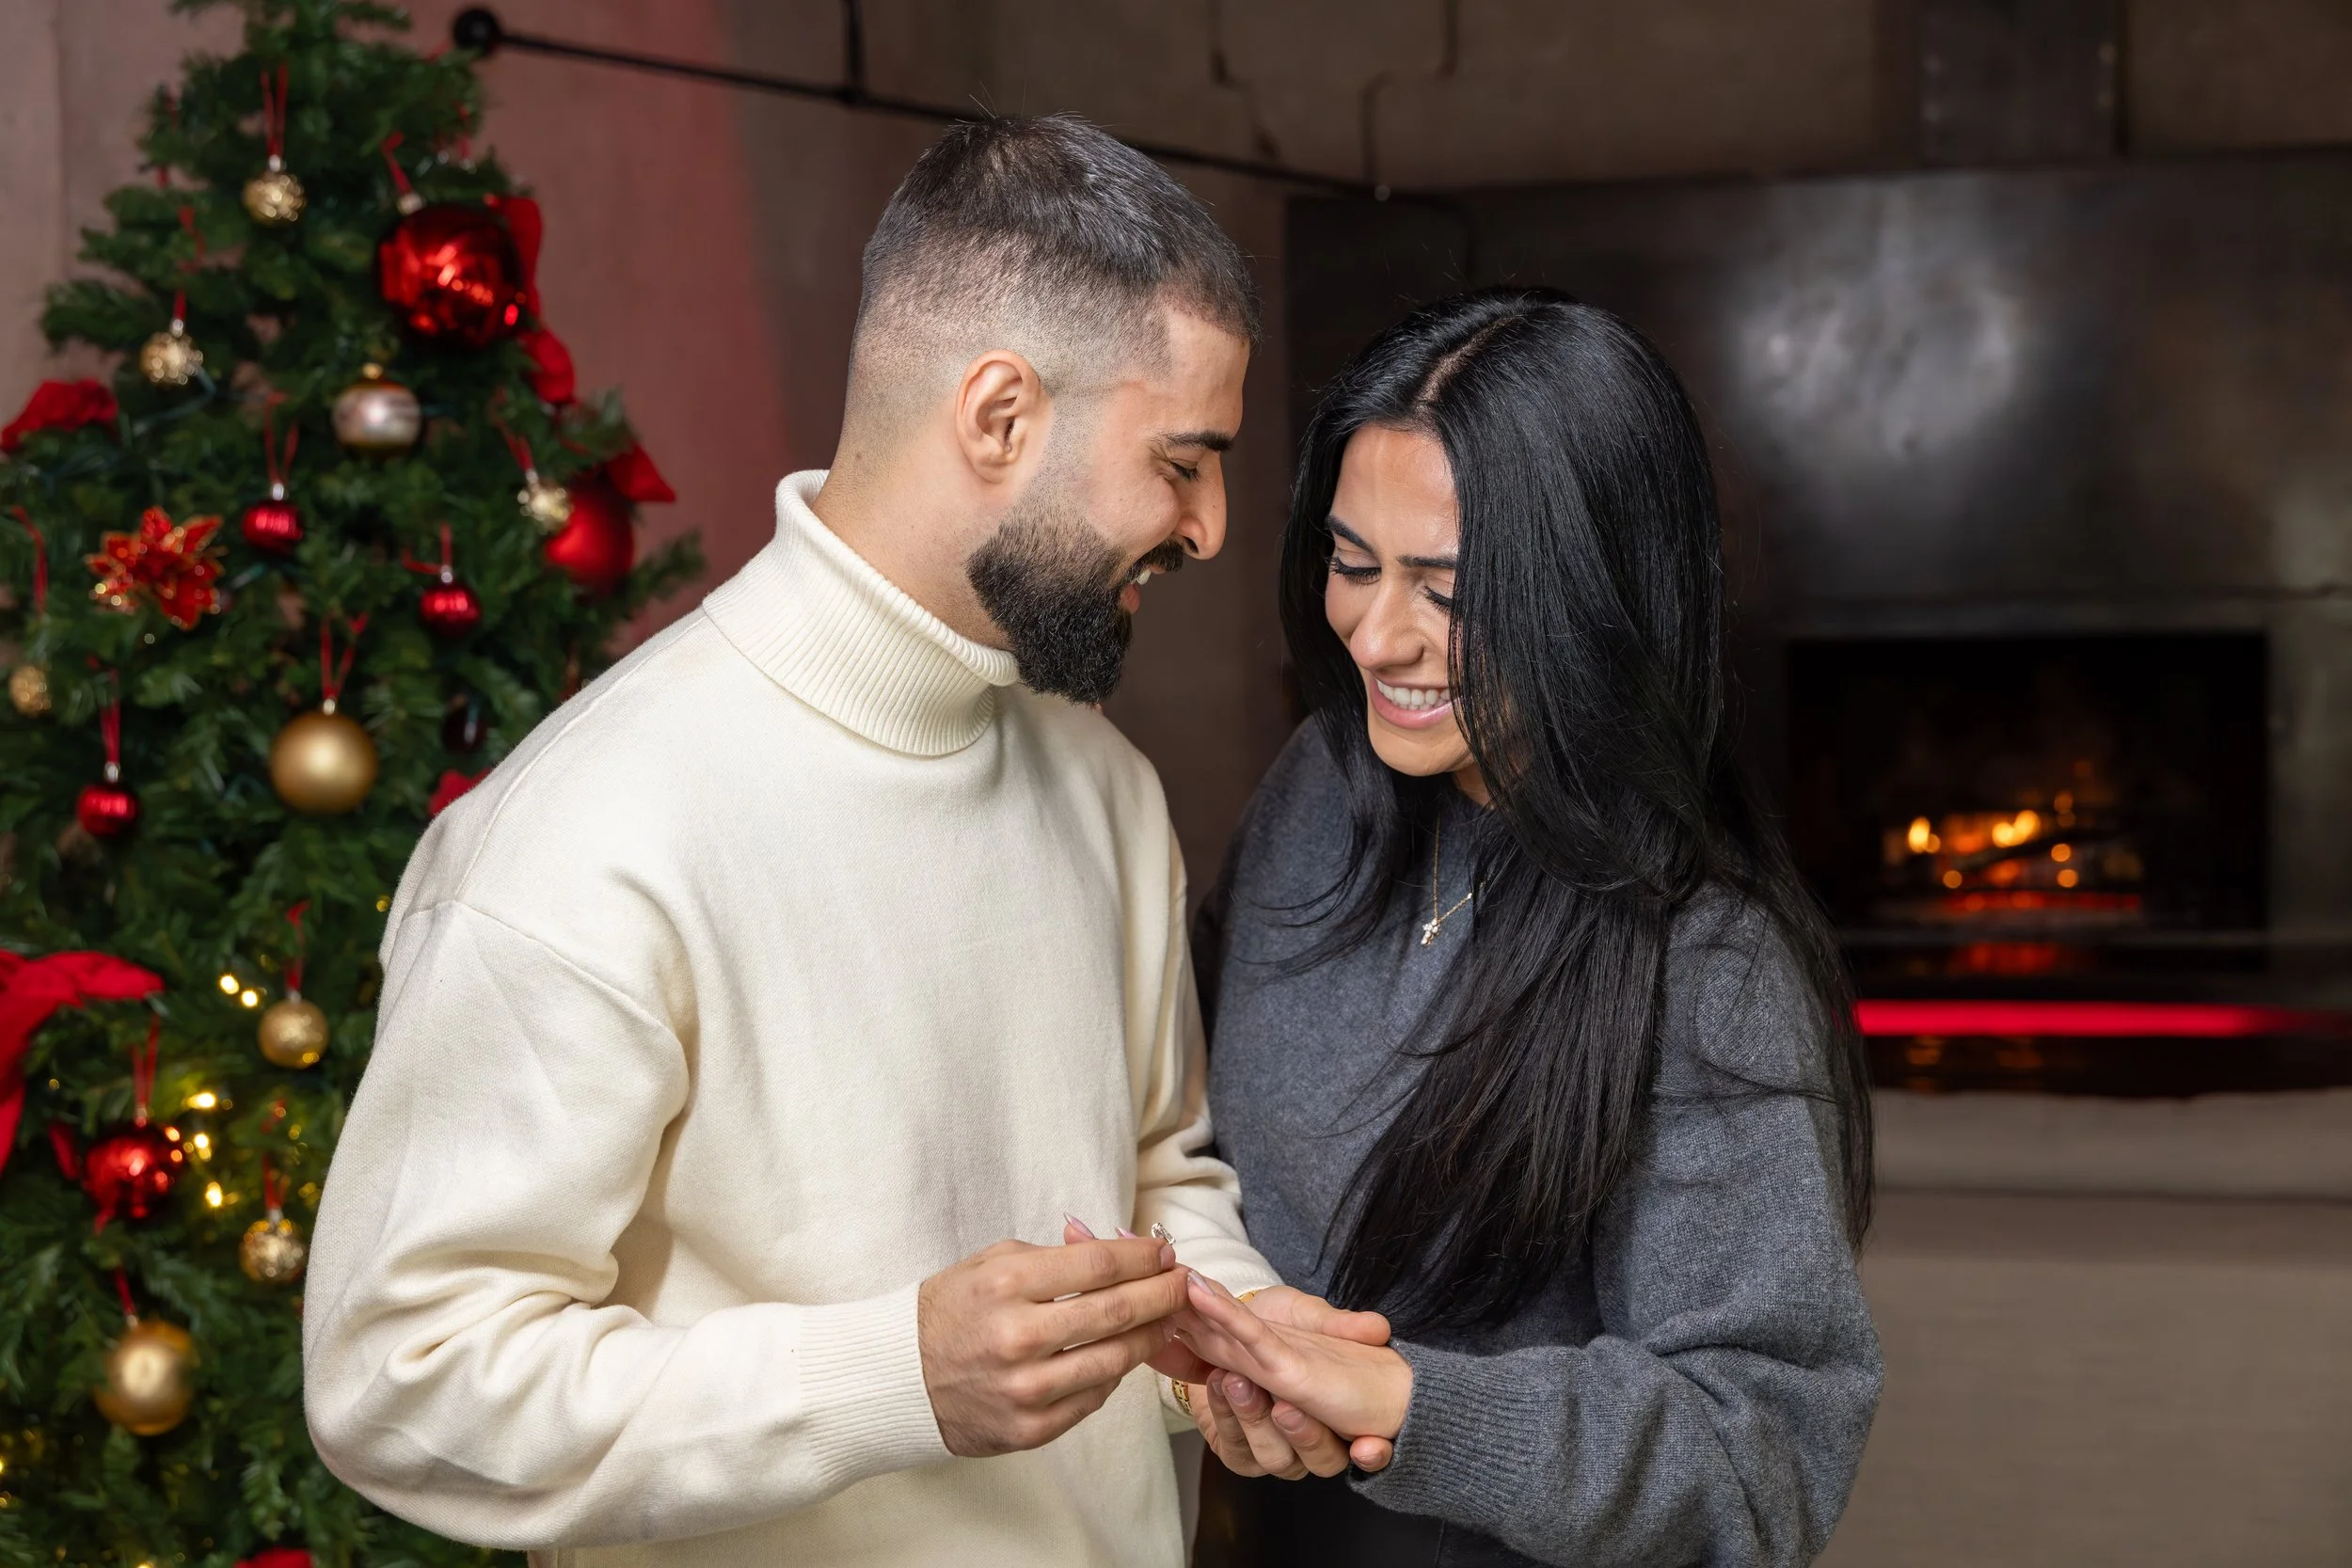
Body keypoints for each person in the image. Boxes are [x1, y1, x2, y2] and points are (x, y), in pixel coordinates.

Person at [303, 113, 1379, 1568]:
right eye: (1183, 459)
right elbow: (396, 1381)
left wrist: (1229, 1331)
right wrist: (896, 1376)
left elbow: (1149, 1176)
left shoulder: (1105, 786)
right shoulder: (582, 838)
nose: (1210, 525)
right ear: (1000, 417)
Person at [1167, 289, 1883, 1566]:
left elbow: (1761, 1450)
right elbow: (1179, 1119)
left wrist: (1409, 1407)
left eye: (1448, 589)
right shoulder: (1319, 794)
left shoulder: (1703, 962)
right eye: (1351, 561)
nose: (1378, 635)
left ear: (1595, 593)